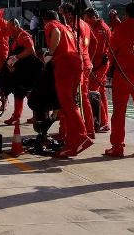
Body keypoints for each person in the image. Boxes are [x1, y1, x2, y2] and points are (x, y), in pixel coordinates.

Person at [42, 10, 93, 158]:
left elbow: (55, 33)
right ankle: (72, 143)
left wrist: (50, 54)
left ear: (46, 20)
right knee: (71, 104)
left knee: (67, 104)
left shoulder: (52, 25)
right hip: (77, 62)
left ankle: (82, 136)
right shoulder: (68, 28)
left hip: (64, 64)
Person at [59, 3, 96, 139]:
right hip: (84, 64)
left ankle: (67, 131)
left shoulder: (73, 26)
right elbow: (94, 42)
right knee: (84, 98)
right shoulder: (84, 24)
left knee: (69, 98)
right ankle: (90, 129)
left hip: (77, 65)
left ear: (68, 13)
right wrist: (88, 60)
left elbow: (75, 46)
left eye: (62, 14)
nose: (61, 17)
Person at [105, 2, 134, 157]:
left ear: (127, 14)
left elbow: (111, 54)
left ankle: (118, 147)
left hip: (123, 76)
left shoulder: (120, 29)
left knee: (119, 113)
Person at [83, 7, 112, 132]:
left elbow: (98, 50)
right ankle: (103, 121)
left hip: (99, 64)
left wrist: (93, 65)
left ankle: (102, 121)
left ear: (93, 17)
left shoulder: (102, 29)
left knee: (93, 92)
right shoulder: (94, 27)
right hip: (97, 64)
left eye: (87, 19)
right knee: (101, 93)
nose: (86, 22)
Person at [3, 19, 36, 125]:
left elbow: (31, 50)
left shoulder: (23, 35)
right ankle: (18, 116)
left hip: (27, 70)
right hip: (21, 70)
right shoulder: (17, 37)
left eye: (9, 27)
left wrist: (17, 57)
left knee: (26, 93)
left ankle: (36, 115)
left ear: (15, 26)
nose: (8, 30)